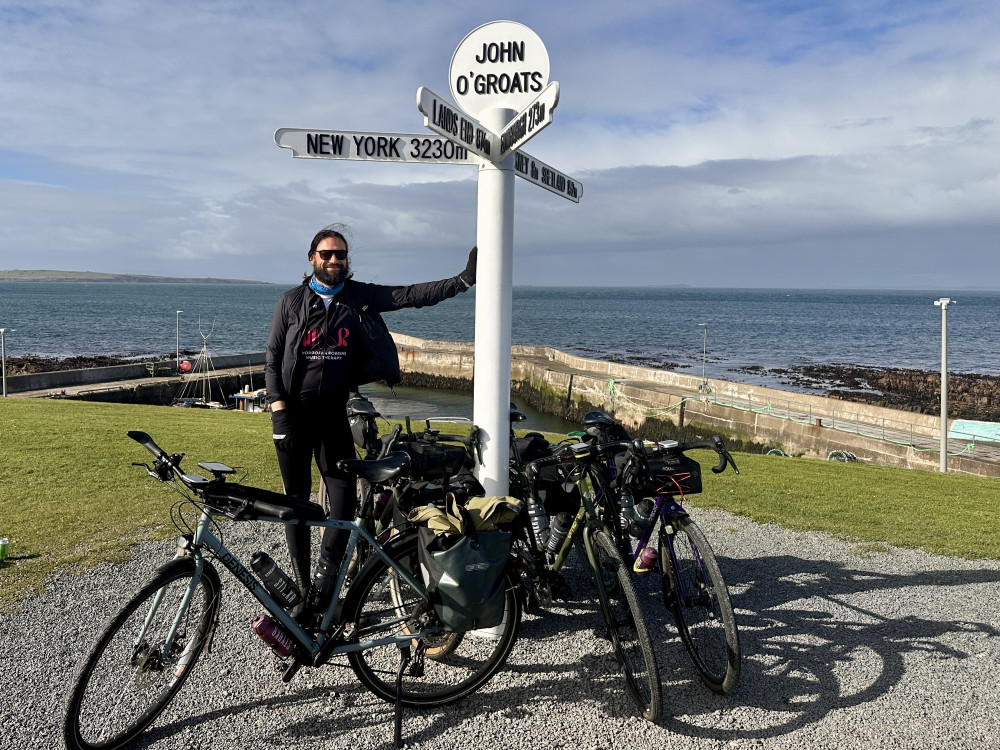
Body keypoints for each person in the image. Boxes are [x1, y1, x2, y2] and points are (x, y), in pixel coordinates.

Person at [264, 225, 476, 622]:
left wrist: (462, 281)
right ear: (312, 258)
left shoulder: (359, 296)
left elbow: (410, 296)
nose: (333, 260)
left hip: (333, 416)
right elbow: (272, 359)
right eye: (326, 254)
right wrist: (278, 414)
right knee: (296, 505)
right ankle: (303, 587)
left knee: (342, 506)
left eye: (340, 255)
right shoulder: (291, 302)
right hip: (293, 417)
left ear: (346, 261)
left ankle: (323, 591)